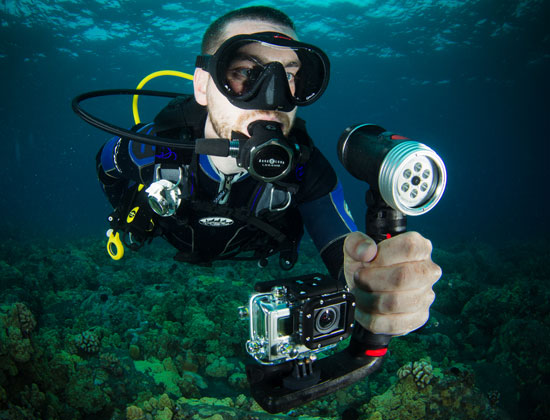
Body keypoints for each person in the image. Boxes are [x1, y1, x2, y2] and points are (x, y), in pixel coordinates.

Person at [96, 6, 441, 339]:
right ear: (202, 86)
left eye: (288, 75)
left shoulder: (305, 169)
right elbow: (106, 167)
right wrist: (127, 211)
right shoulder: (151, 148)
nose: (273, 99)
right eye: (244, 72)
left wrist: (371, 283)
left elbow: (350, 259)